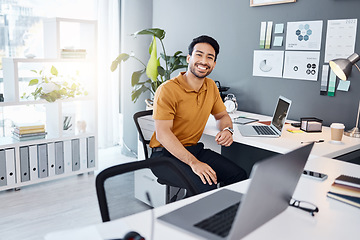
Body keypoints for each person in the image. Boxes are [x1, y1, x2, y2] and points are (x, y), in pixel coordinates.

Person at [149, 35, 247, 194]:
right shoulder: (167, 90)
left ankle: (225, 216)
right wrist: (194, 163)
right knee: (205, 184)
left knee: (238, 175)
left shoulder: (211, 87)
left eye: (210, 57)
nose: (203, 61)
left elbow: (222, 116)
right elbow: (163, 134)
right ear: (189, 58)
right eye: (199, 55)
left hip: (194, 150)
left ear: (214, 64)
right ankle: (200, 218)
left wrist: (227, 130)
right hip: (164, 156)